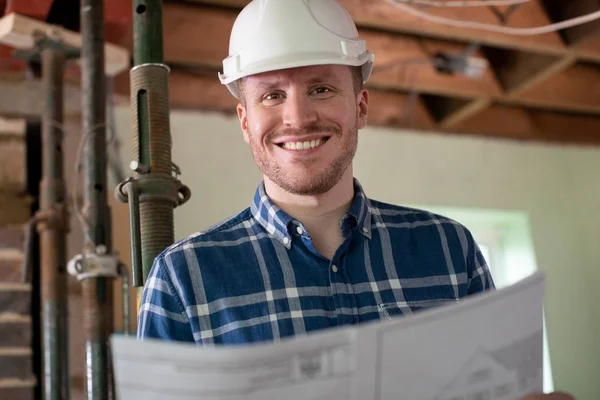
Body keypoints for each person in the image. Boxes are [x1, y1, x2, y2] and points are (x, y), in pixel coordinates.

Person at [137, 1, 573, 399]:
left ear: (360, 106)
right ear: (245, 121)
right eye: (272, 95)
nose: (298, 118)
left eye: (321, 89)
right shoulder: (183, 279)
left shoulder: (449, 249)